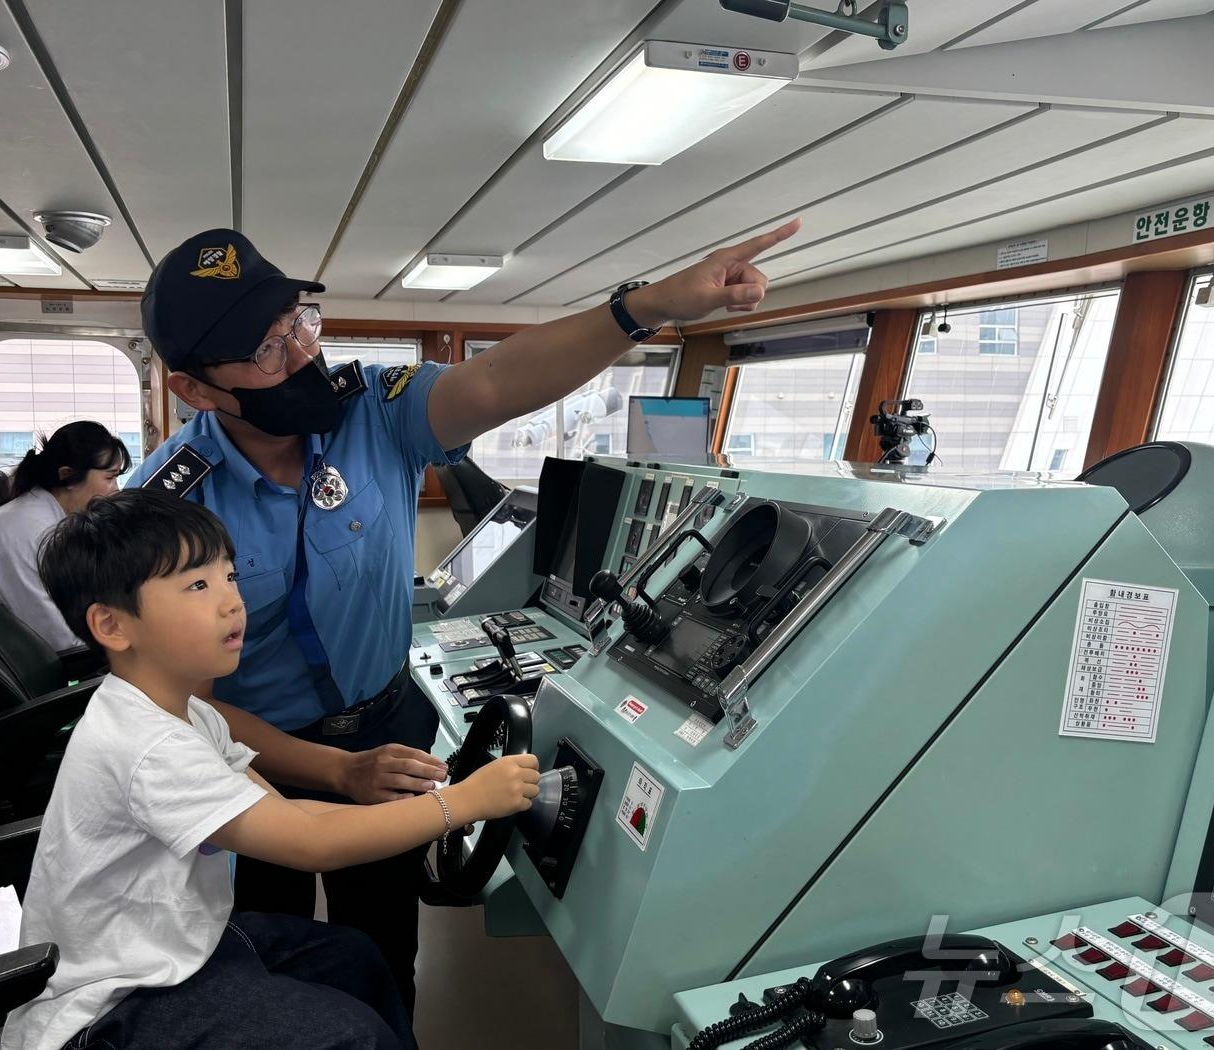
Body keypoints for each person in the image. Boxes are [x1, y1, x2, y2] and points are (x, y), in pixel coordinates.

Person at [128, 218, 798, 1009]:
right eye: (268, 349)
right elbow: (180, 701)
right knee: (265, 968)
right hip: (252, 759)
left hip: (387, 728)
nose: (305, 354)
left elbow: (495, 382)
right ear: (195, 390)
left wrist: (645, 308)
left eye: (300, 325)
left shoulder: (373, 411)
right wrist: (332, 771)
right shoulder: (164, 504)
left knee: (380, 957)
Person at [1, 488, 539, 1050]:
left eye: (230, 578)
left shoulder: (187, 712)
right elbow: (309, 842)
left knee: (354, 957)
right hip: (111, 1005)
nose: (233, 603)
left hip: (174, 947)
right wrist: (465, 804)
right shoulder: (147, 746)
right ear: (112, 626)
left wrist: (389, 791)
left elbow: (286, 813)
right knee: (351, 1038)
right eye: (197, 586)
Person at [0, 421, 131, 651]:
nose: (117, 490)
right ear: (68, 476)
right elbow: (63, 641)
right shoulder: (31, 531)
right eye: (110, 477)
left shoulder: (45, 516)